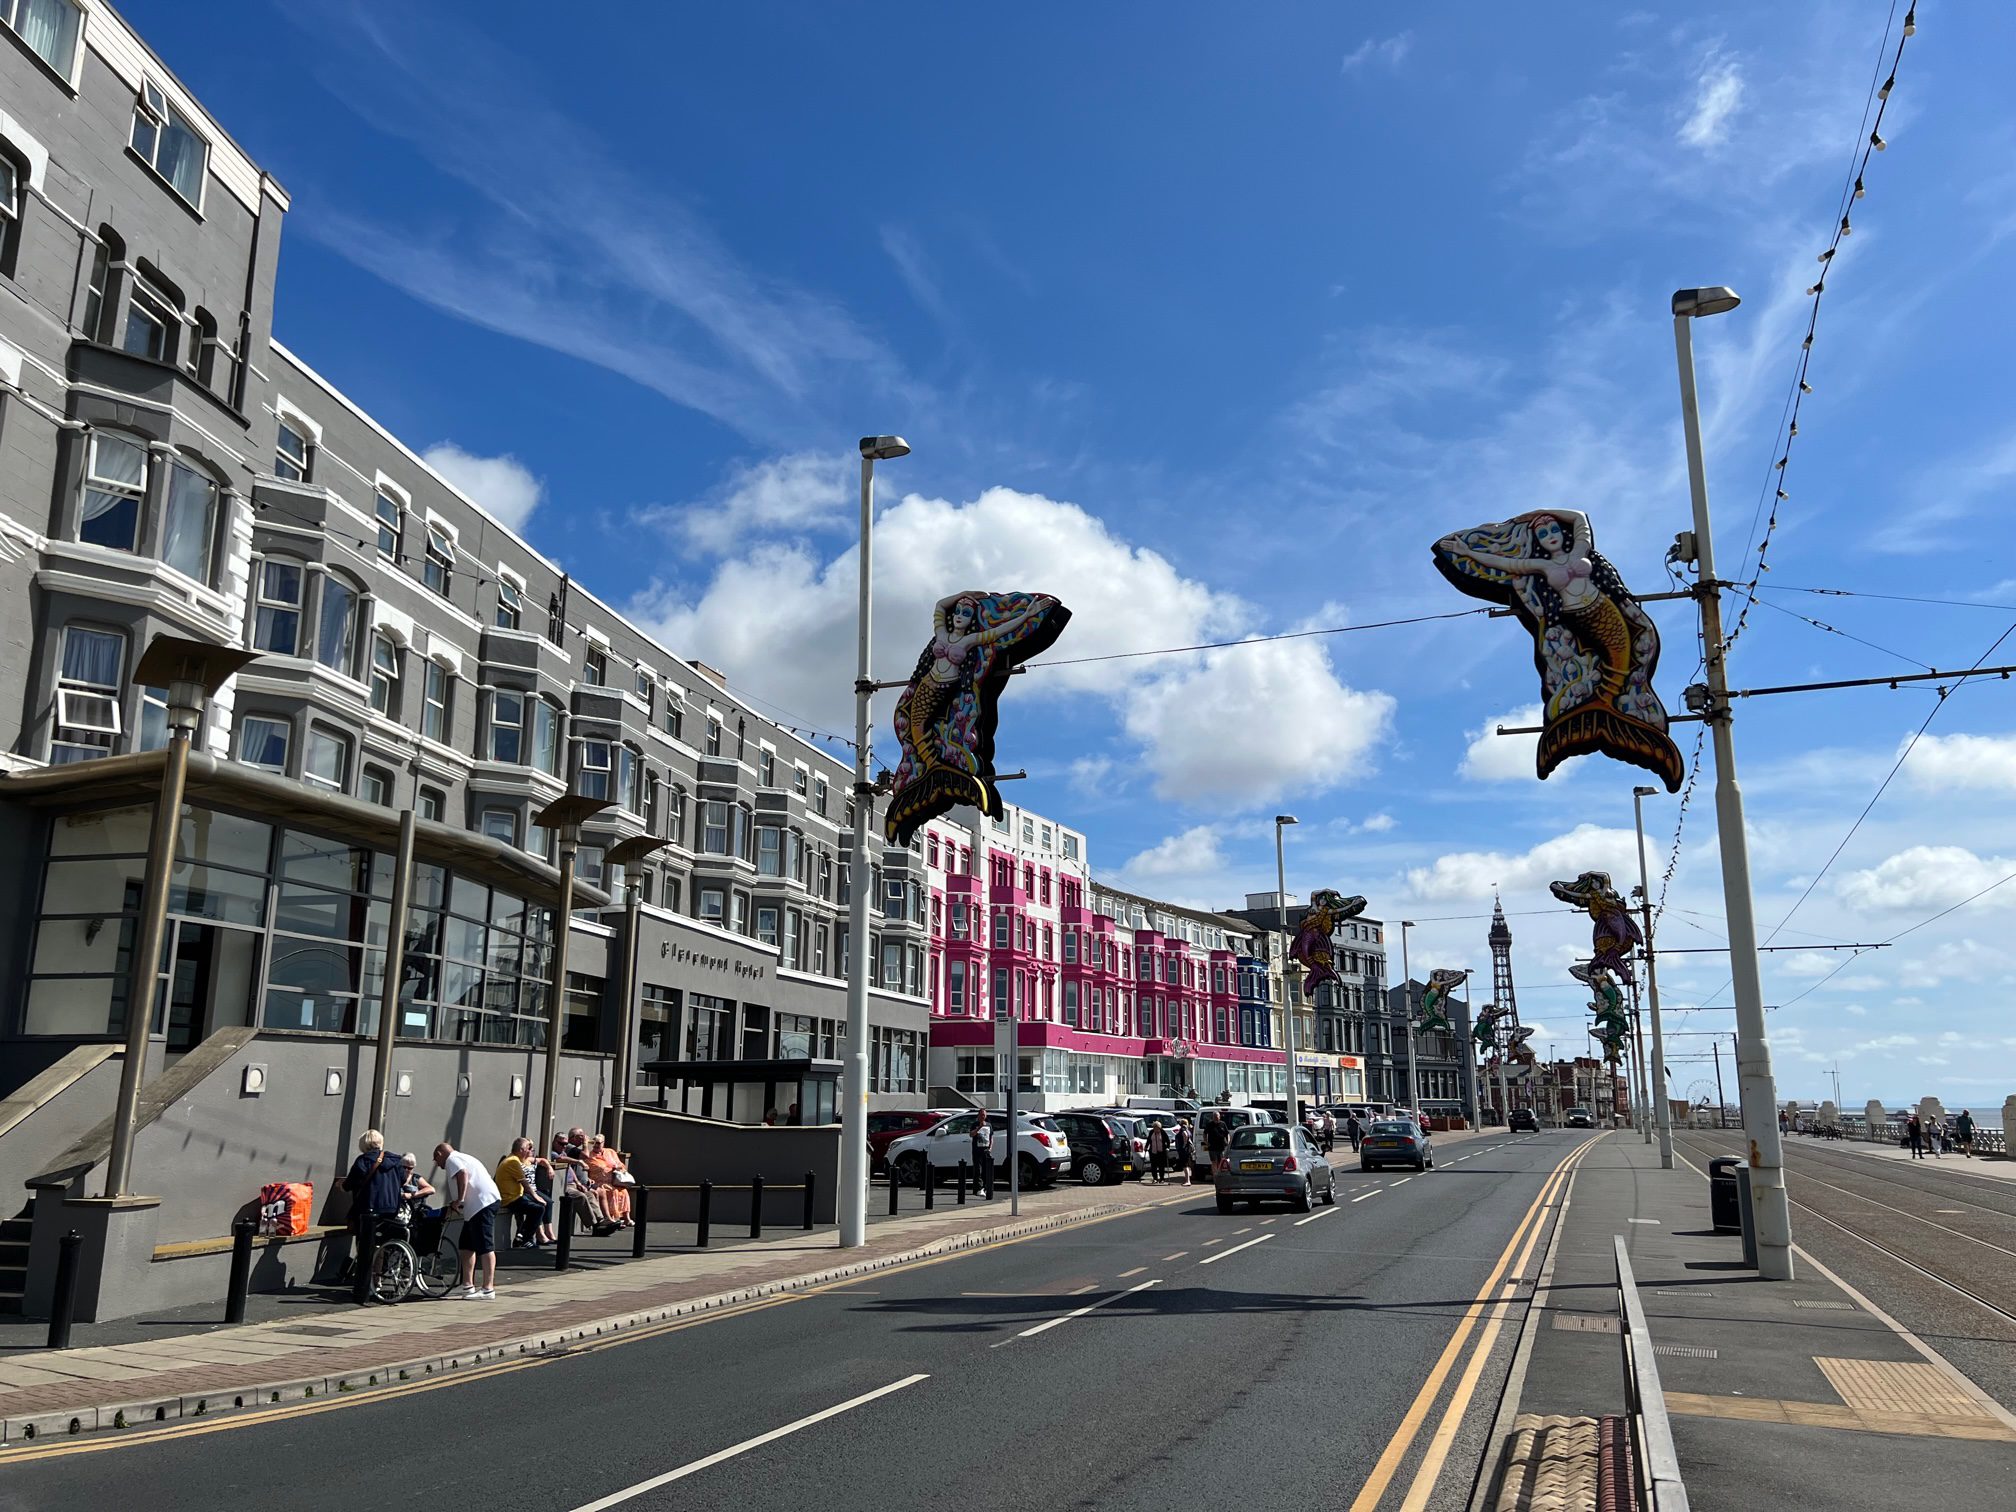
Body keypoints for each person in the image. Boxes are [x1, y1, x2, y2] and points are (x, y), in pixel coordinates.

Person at [434, 1140, 502, 1299]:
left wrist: (460, 1199)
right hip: (476, 1208)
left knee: (485, 1246)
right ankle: (467, 1285)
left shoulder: (452, 1159)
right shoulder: (464, 1157)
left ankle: (488, 1289)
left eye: (436, 1160)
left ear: (439, 1154)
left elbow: (462, 1173)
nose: (437, 1165)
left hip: (482, 1204)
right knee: (466, 1245)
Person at [342, 1129, 406, 1279]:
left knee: (364, 1243)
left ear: (364, 1145)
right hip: (391, 1209)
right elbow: (403, 1180)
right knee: (380, 1243)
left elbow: (348, 1185)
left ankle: (364, 1279)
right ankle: (376, 1280)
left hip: (368, 1209)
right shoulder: (396, 1161)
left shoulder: (363, 1161)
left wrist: (341, 1185)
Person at [497, 1137, 554, 1247]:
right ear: (522, 1150)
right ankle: (526, 1239)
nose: (531, 1151)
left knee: (540, 1206)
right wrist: (537, 1197)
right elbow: (525, 1184)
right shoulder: (512, 1162)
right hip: (510, 1198)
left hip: (517, 1196)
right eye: (529, 1148)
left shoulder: (516, 1160)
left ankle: (521, 1236)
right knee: (538, 1208)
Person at [584, 1133, 633, 1228]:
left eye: (598, 1143)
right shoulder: (590, 1156)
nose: (596, 1145)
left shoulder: (610, 1152)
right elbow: (586, 1170)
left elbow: (622, 1165)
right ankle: (613, 1219)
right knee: (612, 1191)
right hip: (599, 1182)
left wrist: (618, 1167)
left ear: (603, 1143)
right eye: (593, 1143)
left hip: (614, 1181)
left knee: (623, 1191)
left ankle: (626, 1218)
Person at [970, 1111, 995, 1200]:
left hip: (986, 1150)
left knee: (985, 1170)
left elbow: (991, 1137)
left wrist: (990, 1148)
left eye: (984, 1115)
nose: (982, 1116)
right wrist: (979, 1127)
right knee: (978, 1170)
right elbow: (971, 1134)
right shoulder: (975, 1124)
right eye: (981, 1115)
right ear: (978, 1116)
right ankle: (978, 1188)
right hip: (977, 1151)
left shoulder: (989, 1125)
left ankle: (984, 1188)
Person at [1145, 1119, 1169, 1184]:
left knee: (1161, 1166)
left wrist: (1167, 1148)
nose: (1156, 1129)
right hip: (1153, 1151)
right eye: (1155, 1128)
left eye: (1157, 1128)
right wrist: (1146, 1146)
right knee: (1153, 1166)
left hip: (1161, 1151)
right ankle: (1155, 1178)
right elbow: (1148, 1140)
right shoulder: (1151, 1132)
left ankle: (1162, 1178)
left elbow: (1167, 1141)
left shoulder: (1162, 1132)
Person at [1174, 1120, 1196, 1187]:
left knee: (1185, 1165)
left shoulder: (1183, 1129)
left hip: (1184, 1150)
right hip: (1187, 1150)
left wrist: (1184, 1145)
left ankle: (1187, 1181)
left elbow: (1185, 1135)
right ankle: (1188, 1180)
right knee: (1186, 1164)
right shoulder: (1187, 1129)